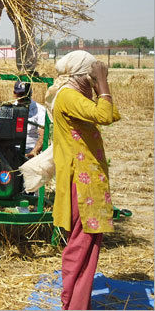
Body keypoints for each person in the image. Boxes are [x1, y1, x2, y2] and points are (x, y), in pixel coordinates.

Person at [45, 50, 120, 310]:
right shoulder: (68, 96)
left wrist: (99, 86)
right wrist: (102, 83)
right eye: (91, 77)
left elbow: (107, 113)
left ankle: (78, 303)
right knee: (81, 245)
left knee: (87, 245)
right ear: (82, 76)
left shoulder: (72, 96)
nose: (94, 82)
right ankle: (72, 303)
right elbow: (105, 115)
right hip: (82, 184)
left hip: (87, 183)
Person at [13, 80, 46, 158]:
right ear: (14, 93)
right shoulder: (11, 108)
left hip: (31, 148)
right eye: (20, 94)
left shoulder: (39, 110)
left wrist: (33, 152)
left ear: (30, 94)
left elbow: (43, 135)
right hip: (12, 148)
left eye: (25, 94)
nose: (22, 97)